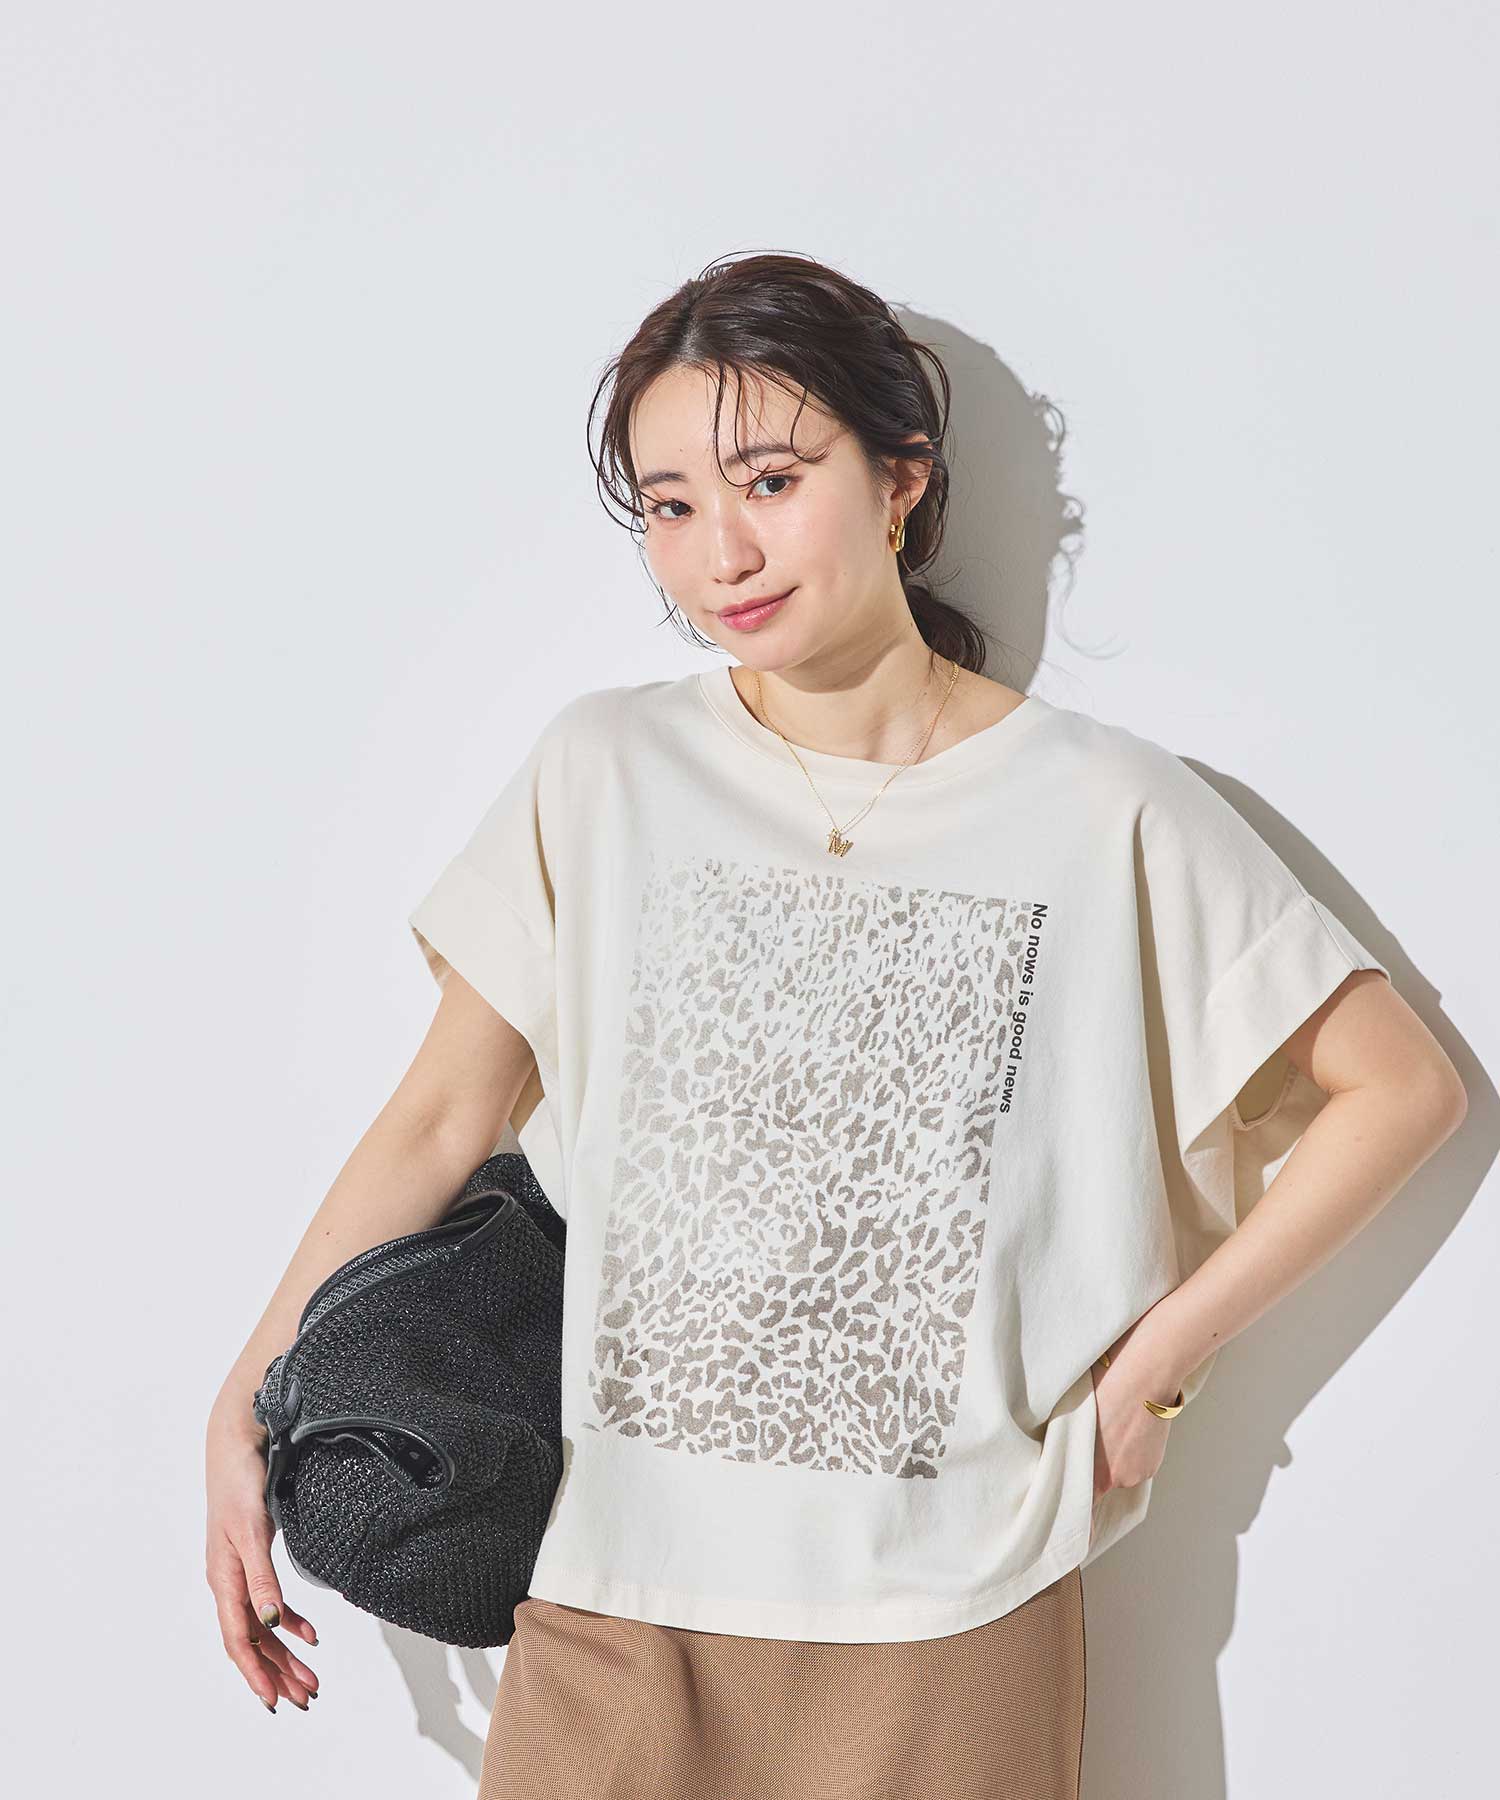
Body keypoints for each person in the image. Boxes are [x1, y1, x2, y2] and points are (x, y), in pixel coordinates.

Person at [204, 252, 1467, 1797]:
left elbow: (1399, 1090)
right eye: (671, 506)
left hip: (954, 1610)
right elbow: (439, 1116)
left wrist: (1157, 1368)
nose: (719, 552)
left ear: (900, 480)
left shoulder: (1102, 810)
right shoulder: (605, 772)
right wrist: (249, 1400)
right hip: (617, 1596)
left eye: (771, 481)